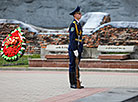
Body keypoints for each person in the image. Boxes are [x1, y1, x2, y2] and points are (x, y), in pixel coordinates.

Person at [68, 6, 84, 89]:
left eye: (80, 13)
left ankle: (77, 81)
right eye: (78, 13)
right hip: (74, 48)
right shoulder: (73, 25)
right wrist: (74, 49)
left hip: (78, 48)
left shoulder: (78, 24)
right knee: (72, 65)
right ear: (75, 15)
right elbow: (72, 38)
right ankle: (73, 83)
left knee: (77, 65)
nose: (80, 15)